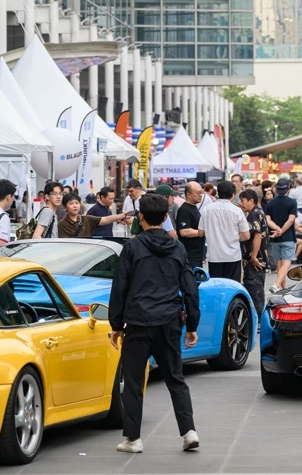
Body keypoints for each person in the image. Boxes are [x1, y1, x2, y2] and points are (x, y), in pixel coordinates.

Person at [108, 193, 200, 455]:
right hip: (169, 321)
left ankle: (133, 439)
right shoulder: (178, 248)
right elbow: (190, 289)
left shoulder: (132, 248)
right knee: (176, 378)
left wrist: (115, 324)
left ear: (140, 218)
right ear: (166, 218)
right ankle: (189, 431)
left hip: (138, 322)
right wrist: (192, 324)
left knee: (134, 381)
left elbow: (120, 288)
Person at [199, 180, 250, 281]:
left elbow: (200, 233)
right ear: (232, 194)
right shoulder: (236, 211)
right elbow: (246, 235)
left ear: (218, 193)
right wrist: (235, 237)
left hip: (214, 255)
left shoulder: (207, 209)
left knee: (216, 286)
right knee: (232, 286)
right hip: (233, 255)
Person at [264, 178, 298, 293]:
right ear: (288, 188)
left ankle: (283, 290)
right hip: (288, 237)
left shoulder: (270, 203)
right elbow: (291, 219)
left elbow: (267, 220)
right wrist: (282, 230)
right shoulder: (292, 202)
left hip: (275, 238)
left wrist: (277, 229)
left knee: (279, 265)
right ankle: (277, 285)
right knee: (287, 263)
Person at [237, 189, 268, 315]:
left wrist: (254, 256)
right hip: (260, 258)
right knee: (257, 291)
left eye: (243, 200)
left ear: (251, 201)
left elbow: (257, 235)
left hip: (255, 259)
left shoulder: (253, 214)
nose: (241, 203)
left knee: (255, 292)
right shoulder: (258, 211)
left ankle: (260, 322)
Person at [58, 192, 130, 238]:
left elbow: (105, 219)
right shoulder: (62, 225)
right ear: (64, 207)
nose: (75, 206)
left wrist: (121, 215)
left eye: (77, 203)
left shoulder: (86, 219)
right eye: (71, 203)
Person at [175, 182, 206, 269]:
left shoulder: (193, 207)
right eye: (198, 193)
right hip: (189, 256)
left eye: (201, 193)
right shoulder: (184, 210)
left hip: (197, 255)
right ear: (189, 194)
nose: (200, 195)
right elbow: (184, 231)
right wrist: (202, 232)